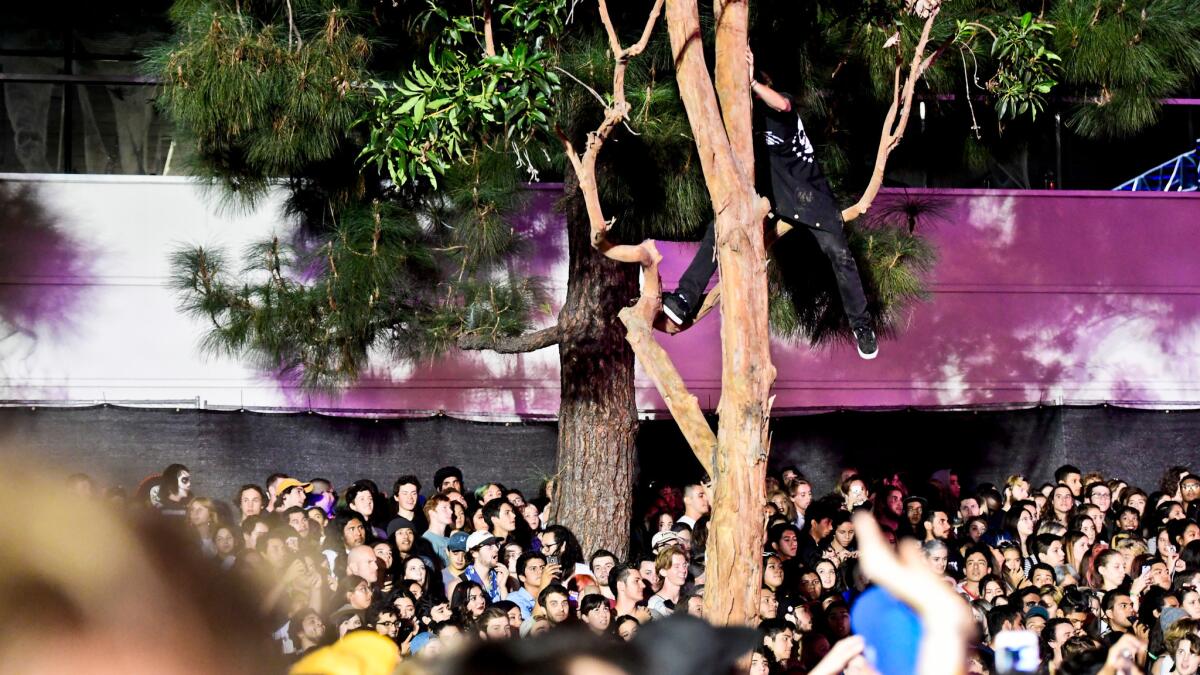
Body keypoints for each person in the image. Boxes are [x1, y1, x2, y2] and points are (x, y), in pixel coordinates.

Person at [660, 49, 878, 360]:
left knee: (840, 255)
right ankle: (684, 298)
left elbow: (784, 104)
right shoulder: (740, 120)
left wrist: (753, 84)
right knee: (720, 228)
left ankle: (862, 326)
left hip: (810, 195)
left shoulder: (778, 107)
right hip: (771, 198)